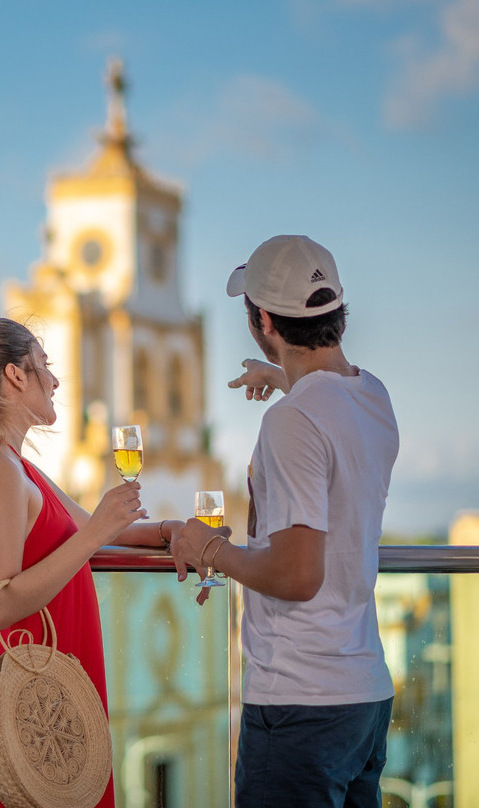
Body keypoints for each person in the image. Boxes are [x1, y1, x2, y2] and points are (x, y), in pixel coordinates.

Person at [171, 235, 399, 807]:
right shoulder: (372, 396)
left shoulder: (292, 420)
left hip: (301, 704)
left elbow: (298, 575)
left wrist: (208, 549)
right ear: (334, 312)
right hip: (362, 696)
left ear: (264, 320)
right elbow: (329, 407)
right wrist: (279, 377)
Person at [0, 317, 182, 808]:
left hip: (44, 692)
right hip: (18, 699)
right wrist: (99, 531)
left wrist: (175, 532)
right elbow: (3, 603)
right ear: (17, 375)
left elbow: (104, 530)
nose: (56, 381)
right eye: (46, 367)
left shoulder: (13, 464)